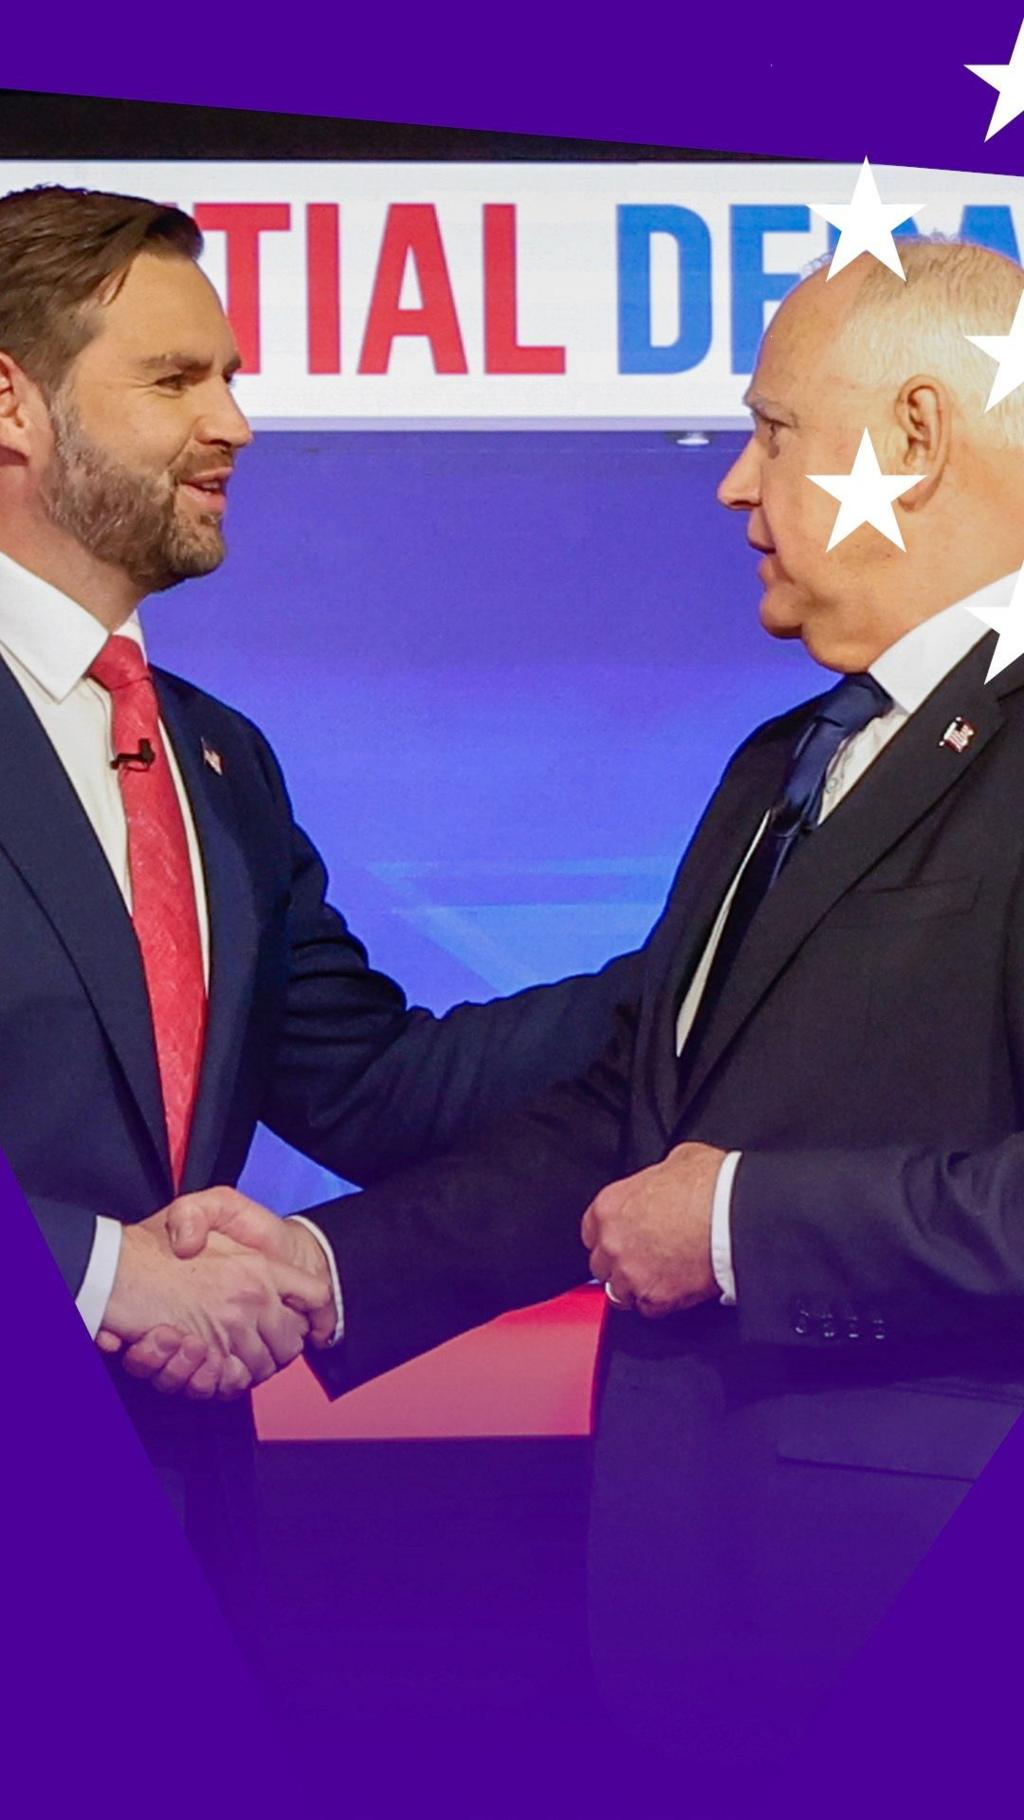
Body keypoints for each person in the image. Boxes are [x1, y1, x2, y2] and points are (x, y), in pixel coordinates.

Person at [158, 236, 1024, 1779]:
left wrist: (747, 1225)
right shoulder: (787, 761)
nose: (732, 488)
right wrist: (322, 1263)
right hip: (702, 1617)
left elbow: (707, 1194)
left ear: (913, 436)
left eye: (772, 432)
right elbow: (636, 1118)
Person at [0, 183, 639, 1617]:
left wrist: (726, 965)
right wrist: (93, 1276)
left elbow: (379, 1087)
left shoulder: (214, 755)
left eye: (230, 376)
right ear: (11, 404)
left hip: (178, 1518)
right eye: (175, 378)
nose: (235, 423)